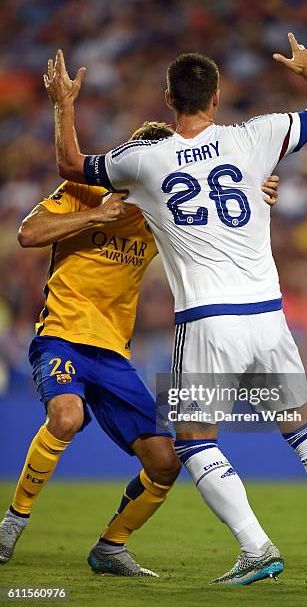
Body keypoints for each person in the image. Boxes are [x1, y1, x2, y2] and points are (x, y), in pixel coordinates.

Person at [44, 33, 307, 585]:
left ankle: (257, 548)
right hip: (269, 318)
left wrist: (64, 103)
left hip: (207, 321)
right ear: (217, 97)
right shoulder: (259, 136)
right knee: (305, 430)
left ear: (167, 98)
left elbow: (69, 163)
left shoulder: (144, 160)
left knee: (195, 442)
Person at [0, 120, 280, 578]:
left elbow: (221, 214)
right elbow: (29, 234)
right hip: (62, 336)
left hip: (113, 355)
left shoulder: (159, 215)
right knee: (66, 417)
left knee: (165, 462)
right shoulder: (81, 190)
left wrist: (260, 191)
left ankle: (110, 547)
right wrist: (96, 216)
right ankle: (13, 521)